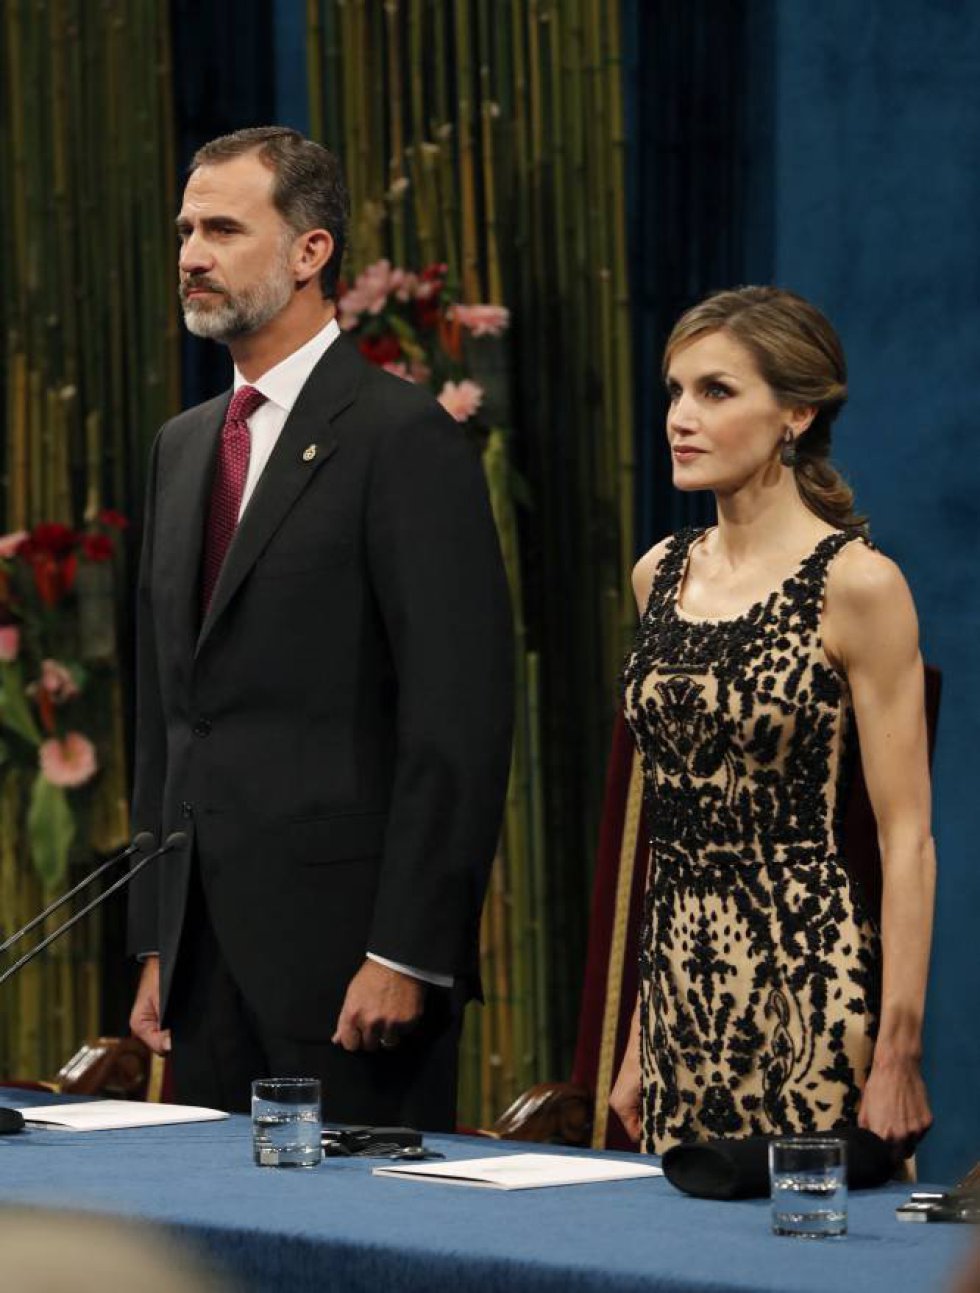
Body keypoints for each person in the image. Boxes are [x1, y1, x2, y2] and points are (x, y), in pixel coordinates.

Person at [127, 127, 513, 1130]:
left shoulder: (402, 436)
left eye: (221, 228)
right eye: (183, 230)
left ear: (311, 252)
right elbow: (169, 715)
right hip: (202, 972)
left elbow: (456, 720)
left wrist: (406, 951)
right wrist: (157, 941)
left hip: (350, 974)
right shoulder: (180, 449)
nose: (190, 255)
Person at [609, 286, 935, 1160]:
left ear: (797, 410)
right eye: (675, 391)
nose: (681, 416)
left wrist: (899, 1046)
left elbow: (906, 836)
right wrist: (641, 1032)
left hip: (807, 987)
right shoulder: (659, 574)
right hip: (679, 989)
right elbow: (670, 822)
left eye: (716, 391)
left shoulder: (857, 583)